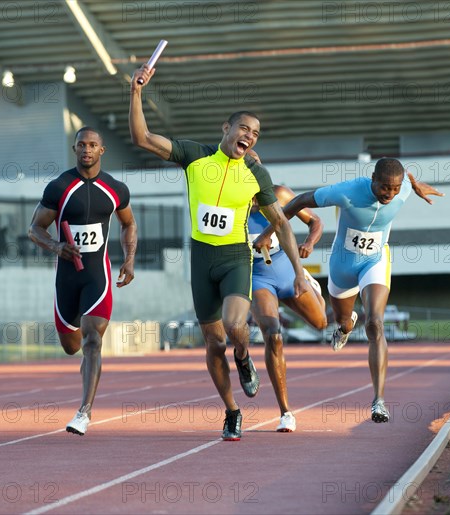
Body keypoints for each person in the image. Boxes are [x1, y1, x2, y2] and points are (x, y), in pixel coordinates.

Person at [129, 64, 309, 441]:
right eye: (244, 127)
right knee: (213, 343)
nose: (250, 135)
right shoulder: (195, 156)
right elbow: (143, 137)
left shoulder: (256, 175)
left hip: (234, 258)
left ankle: (244, 357)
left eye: (256, 133)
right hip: (202, 260)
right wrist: (136, 92)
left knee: (233, 326)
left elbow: (282, 222)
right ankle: (231, 411)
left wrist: (298, 270)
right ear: (225, 129)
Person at [254, 158, 443, 423]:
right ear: (372, 179)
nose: (389, 194)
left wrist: (415, 184)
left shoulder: (404, 189)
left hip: (374, 261)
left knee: (375, 323)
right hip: (343, 265)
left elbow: (406, 176)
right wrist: (268, 231)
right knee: (342, 319)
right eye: (383, 188)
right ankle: (345, 326)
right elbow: (300, 202)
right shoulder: (348, 191)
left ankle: (378, 401)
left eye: (395, 189)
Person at [28, 126, 137, 435]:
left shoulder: (115, 188)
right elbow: (34, 228)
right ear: (74, 149)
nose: (86, 149)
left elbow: (129, 224)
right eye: (81, 145)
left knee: (93, 339)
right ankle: (86, 368)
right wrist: (56, 246)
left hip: (96, 277)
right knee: (70, 345)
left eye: (92, 145)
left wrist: (129, 259)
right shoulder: (59, 187)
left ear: (102, 150)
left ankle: (84, 411)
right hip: (66, 279)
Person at [249, 181, 328, 433]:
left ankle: (310, 282)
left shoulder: (280, 194)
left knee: (321, 323)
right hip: (257, 278)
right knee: (273, 335)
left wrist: (309, 243)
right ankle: (286, 412)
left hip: (286, 270)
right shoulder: (230, 203)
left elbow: (316, 222)